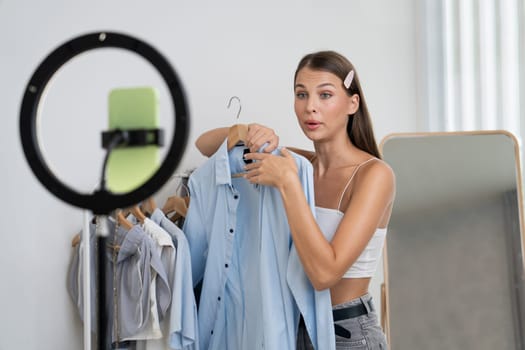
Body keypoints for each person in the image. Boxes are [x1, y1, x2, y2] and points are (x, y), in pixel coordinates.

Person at [195, 50, 395, 350]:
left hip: (347, 334)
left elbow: (324, 274)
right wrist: (248, 132)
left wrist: (289, 184)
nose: (310, 107)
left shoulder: (374, 175)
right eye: (301, 94)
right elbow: (206, 145)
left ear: (352, 103)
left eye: (325, 95)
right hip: (292, 326)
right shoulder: (300, 164)